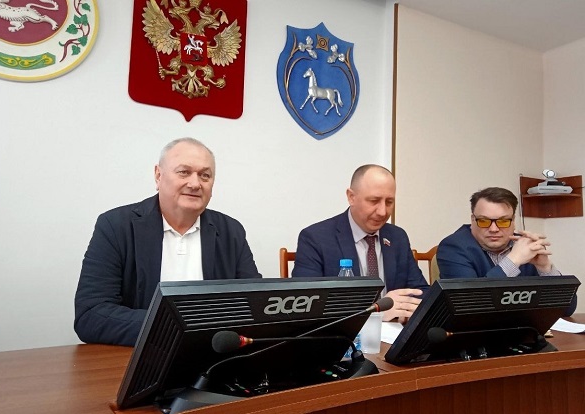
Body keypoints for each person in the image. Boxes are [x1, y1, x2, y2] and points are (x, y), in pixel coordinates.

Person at [74, 138, 261, 346]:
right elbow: (91, 315)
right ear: (158, 175)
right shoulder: (115, 226)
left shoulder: (230, 231)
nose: (195, 183)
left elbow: (256, 306)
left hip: (214, 356)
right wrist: (176, 327)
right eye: (184, 172)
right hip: (143, 355)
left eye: (205, 175)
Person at [291, 164, 429, 322]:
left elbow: (421, 292)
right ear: (351, 197)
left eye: (389, 202)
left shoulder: (397, 237)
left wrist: (406, 309)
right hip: (343, 334)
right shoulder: (316, 238)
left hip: (394, 332)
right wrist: (376, 313)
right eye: (374, 201)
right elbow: (307, 304)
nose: (383, 212)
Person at [437, 186, 576, 315]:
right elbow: (469, 305)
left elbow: (567, 310)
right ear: (473, 219)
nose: (494, 229)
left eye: (503, 221)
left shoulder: (526, 246)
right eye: (484, 221)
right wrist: (513, 261)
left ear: (513, 220)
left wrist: (545, 268)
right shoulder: (452, 247)